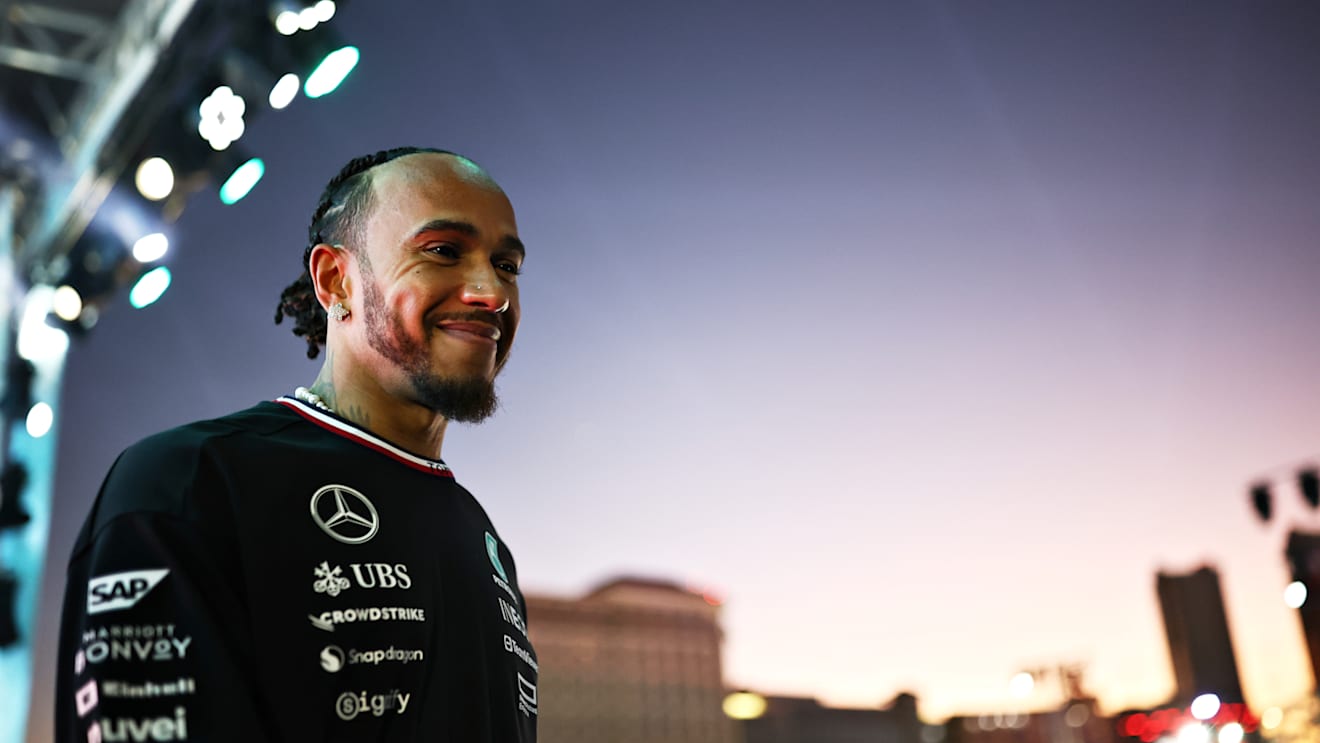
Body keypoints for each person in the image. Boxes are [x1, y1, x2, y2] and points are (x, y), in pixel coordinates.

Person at [55, 148, 538, 742]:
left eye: (507, 265)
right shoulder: (189, 482)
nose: (492, 292)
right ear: (337, 280)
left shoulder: (482, 538)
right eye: (442, 251)